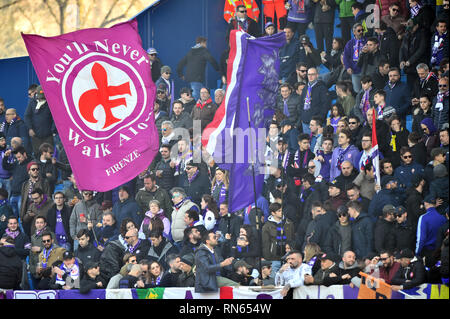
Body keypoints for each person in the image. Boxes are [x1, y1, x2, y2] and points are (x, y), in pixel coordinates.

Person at [176, 36, 220, 102]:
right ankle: (196, 110)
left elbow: (180, 64)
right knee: (197, 98)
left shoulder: (190, 52)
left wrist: (180, 74)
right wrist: (218, 68)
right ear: (202, 43)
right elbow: (211, 59)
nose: (206, 45)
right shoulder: (203, 51)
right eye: (205, 44)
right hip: (197, 78)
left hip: (190, 78)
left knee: (199, 96)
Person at [262, 203, 295, 276]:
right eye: (279, 211)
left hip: (288, 257)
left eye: (282, 210)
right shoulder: (267, 226)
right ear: (273, 213)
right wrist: (268, 258)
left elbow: (292, 239)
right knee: (274, 278)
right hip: (274, 258)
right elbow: (265, 244)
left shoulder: (288, 223)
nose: (281, 212)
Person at [24, 86, 56, 157]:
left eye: (43, 96)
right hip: (36, 135)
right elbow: (27, 116)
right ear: (36, 93)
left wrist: (53, 130)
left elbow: (55, 117)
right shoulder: (32, 102)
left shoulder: (50, 101)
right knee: (37, 155)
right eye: (40, 96)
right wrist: (30, 128)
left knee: (49, 155)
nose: (41, 98)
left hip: (48, 135)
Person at [416, 196, 447, 268]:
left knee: (428, 274)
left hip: (428, 253)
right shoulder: (442, 218)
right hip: (440, 252)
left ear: (426, 203)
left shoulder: (423, 218)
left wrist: (417, 253)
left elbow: (421, 239)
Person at [298, 67, 329, 134]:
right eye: (309, 74)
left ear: (317, 75)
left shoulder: (322, 88)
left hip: (316, 122)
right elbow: (301, 103)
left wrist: (319, 119)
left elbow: (325, 105)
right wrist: (302, 115)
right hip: (305, 121)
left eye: (313, 74)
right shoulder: (305, 88)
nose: (310, 76)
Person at [343, 23, 368, 92]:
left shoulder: (367, 41)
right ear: (354, 32)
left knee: (366, 90)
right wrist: (348, 67)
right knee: (357, 91)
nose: (361, 32)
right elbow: (345, 57)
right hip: (355, 71)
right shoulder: (350, 43)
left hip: (365, 70)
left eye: (362, 30)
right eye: (359, 31)